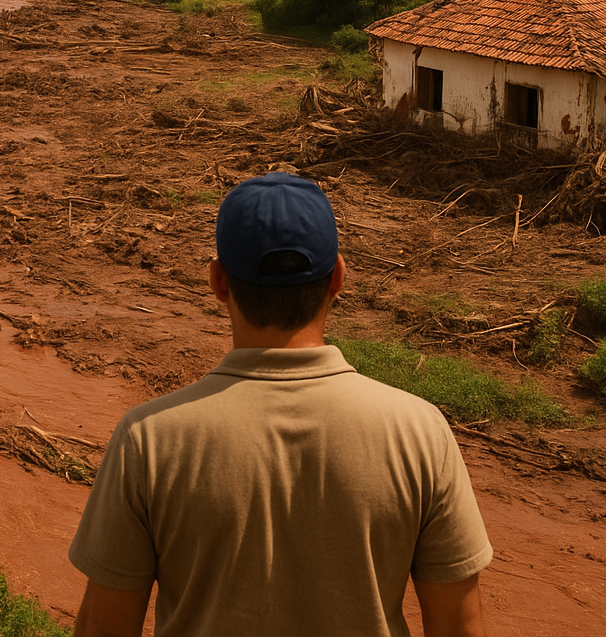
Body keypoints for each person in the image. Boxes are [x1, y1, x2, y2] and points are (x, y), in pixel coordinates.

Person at [67, 172, 492, 637]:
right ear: (338, 278)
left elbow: (104, 627)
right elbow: (459, 626)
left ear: (218, 281)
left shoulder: (148, 439)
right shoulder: (420, 432)